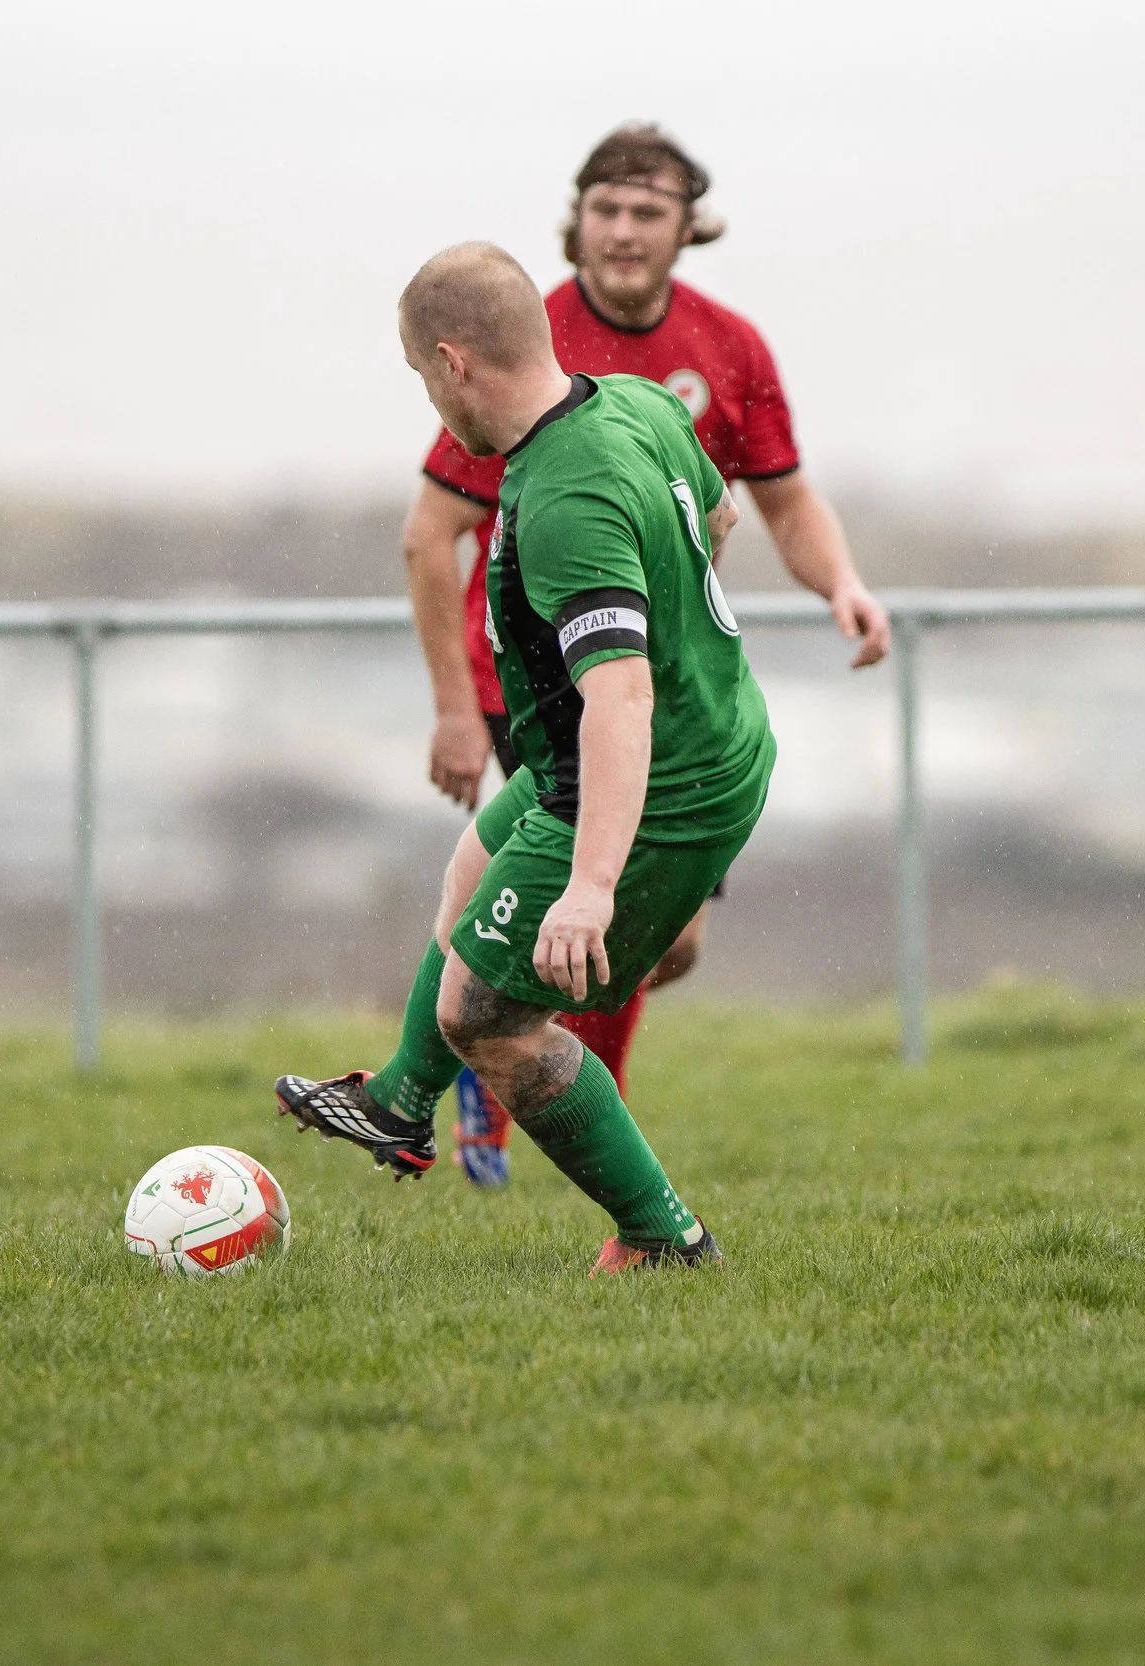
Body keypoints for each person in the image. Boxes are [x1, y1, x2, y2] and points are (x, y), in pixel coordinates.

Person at [399, 124, 889, 1186]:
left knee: (667, 949)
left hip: (667, 696)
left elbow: (776, 502)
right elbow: (428, 531)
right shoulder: (517, 337)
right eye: (605, 209)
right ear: (575, 220)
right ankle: (536, 1093)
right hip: (551, 692)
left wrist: (841, 584)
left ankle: (501, 1056)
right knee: (579, 915)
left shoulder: (729, 348)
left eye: (646, 212)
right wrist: (450, 706)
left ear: (684, 230)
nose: (621, 231)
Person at [277, 241, 778, 1273]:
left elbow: (621, 696)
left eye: (423, 377)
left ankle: (664, 1239)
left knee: (490, 1015)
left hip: (661, 785)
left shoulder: (565, 500)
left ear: (455, 363)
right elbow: (718, 517)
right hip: (677, 743)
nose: (430, 401)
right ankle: (399, 1107)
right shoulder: (635, 404)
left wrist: (591, 885)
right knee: (469, 870)